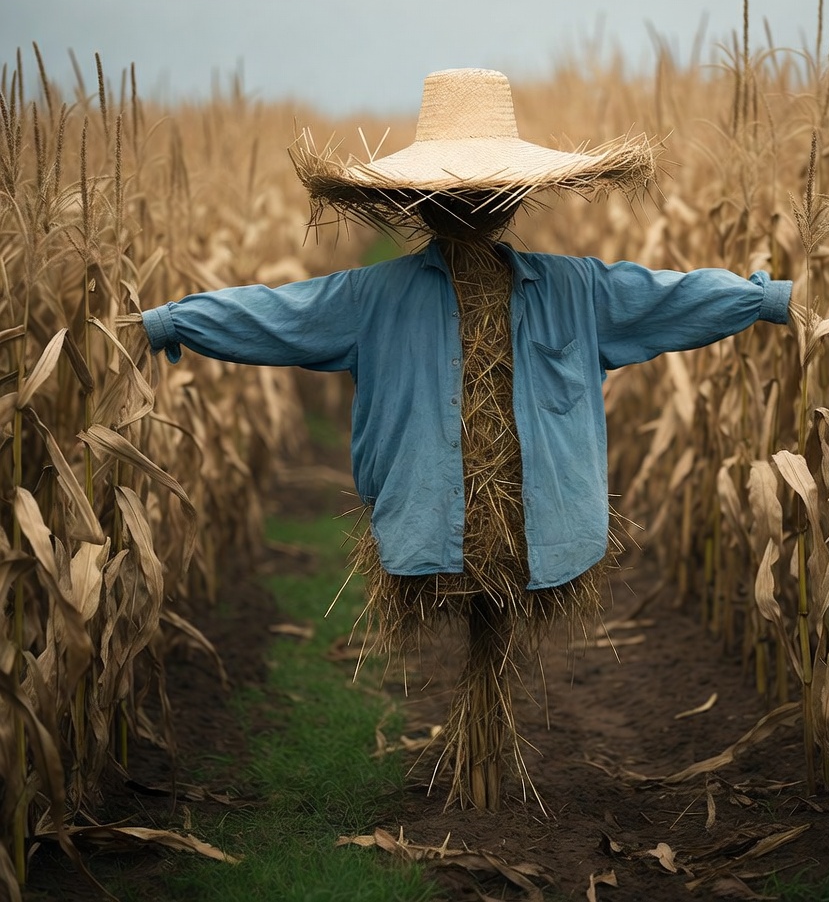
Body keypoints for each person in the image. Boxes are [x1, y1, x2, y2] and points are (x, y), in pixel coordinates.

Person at [141, 68, 793, 810]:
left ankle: (484, 759)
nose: (474, 205)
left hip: (539, 520)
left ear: (514, 196)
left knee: (500, 627)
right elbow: (275, 314)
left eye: (487, 191)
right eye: (458, 192)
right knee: (478, 618)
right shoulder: (373, 296)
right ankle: (482, 763)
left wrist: (760, 299)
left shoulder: (577, 289)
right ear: (421, 200)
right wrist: (178, 320)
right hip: (433, 512)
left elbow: (668, 295)